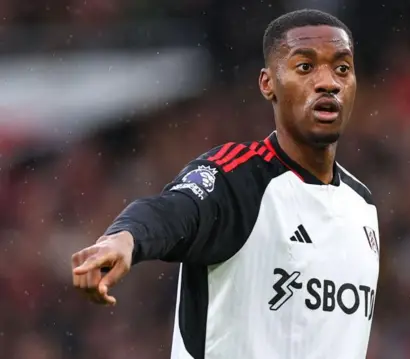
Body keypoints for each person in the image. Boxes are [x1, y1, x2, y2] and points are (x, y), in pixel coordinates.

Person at [71, 8, 380, 359]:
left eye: (342, 68)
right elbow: (174, 210)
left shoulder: (362, 207)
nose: (328, 82)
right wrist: (125, 239)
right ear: (268, 84)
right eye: (305, 67)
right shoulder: (238, 179)